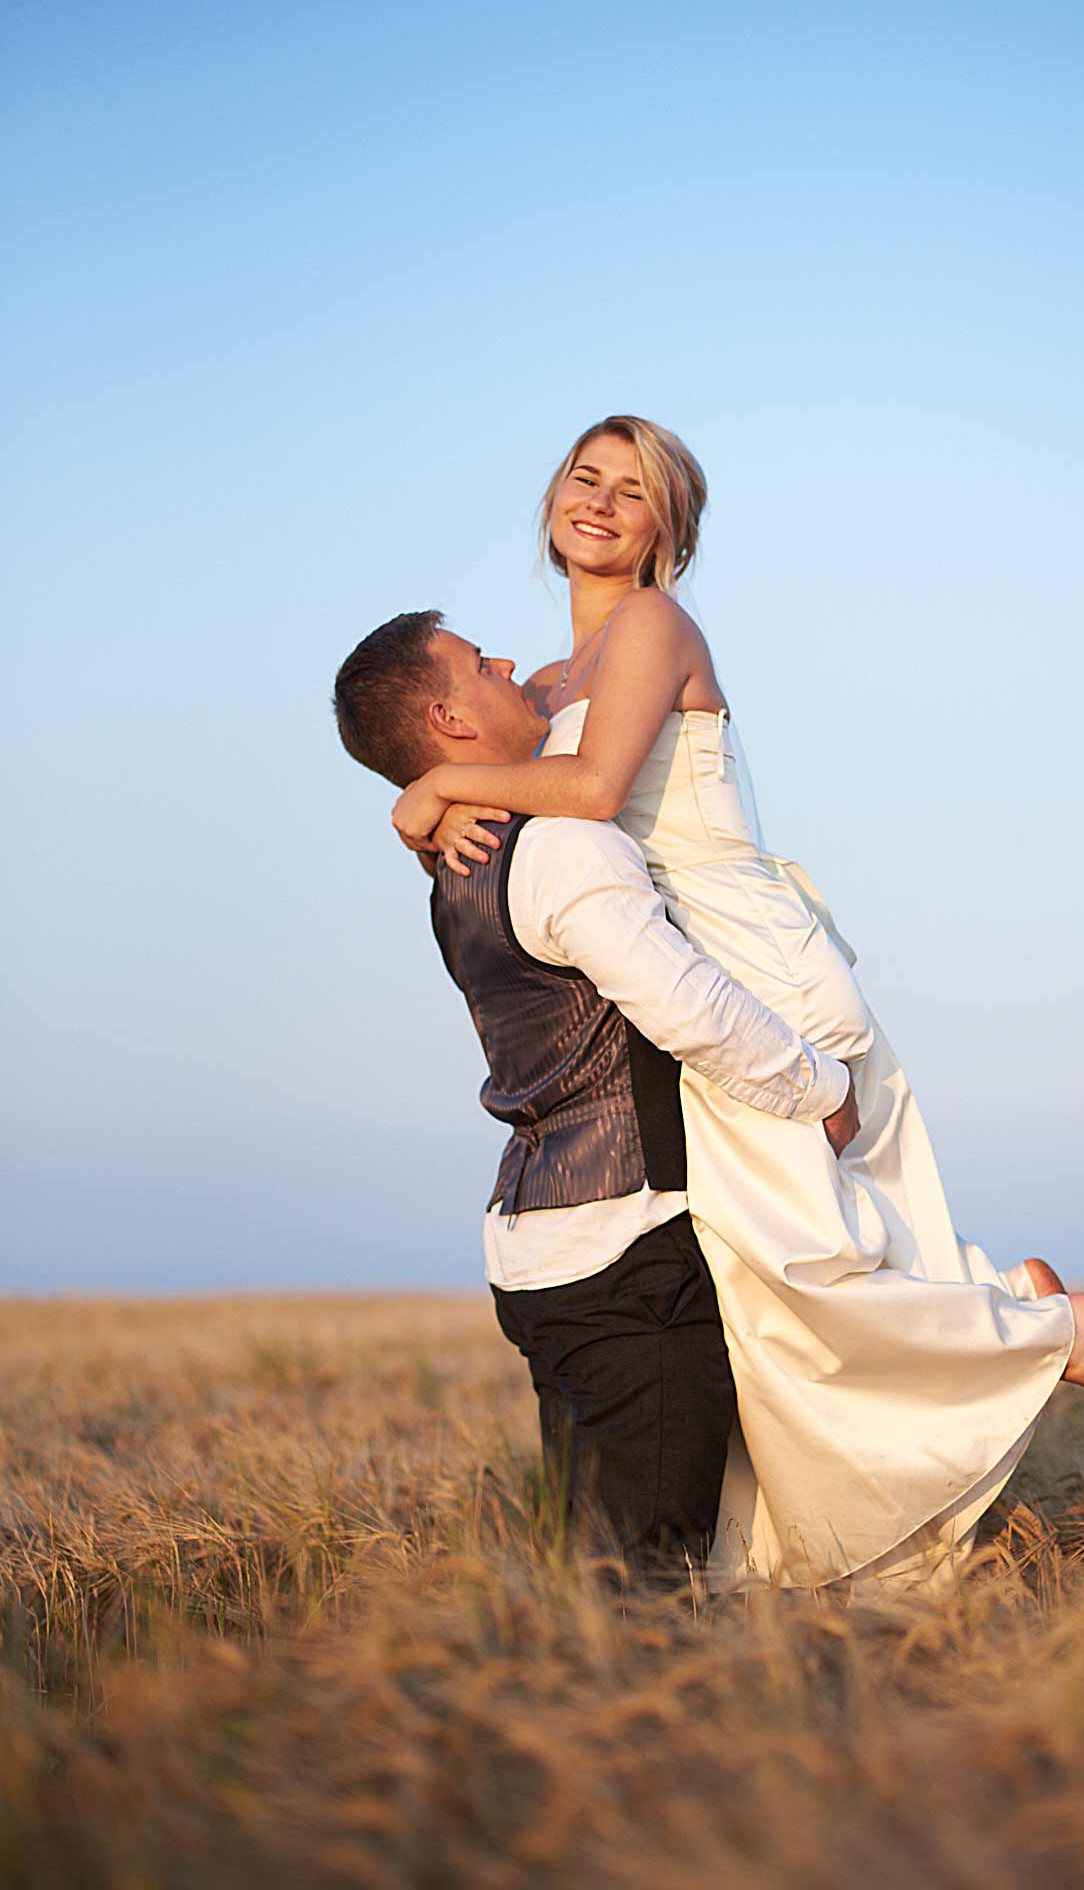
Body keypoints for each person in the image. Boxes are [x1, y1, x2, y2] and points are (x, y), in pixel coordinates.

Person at [385, 416, 1084, 1592]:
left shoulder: (653, 628)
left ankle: (1049, 1334)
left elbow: (593, 790)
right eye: (585, 477)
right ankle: (1005, 1301)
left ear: (670, 533)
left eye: (635, 493)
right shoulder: (540, 688)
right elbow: (517, 860)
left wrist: (435, 783)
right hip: (681, 976)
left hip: (751, 971)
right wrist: (423, 817)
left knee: (802, 1270)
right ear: (551, 498)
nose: (601, 503)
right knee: (767, 1291)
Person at [333, 610, 862, 1586]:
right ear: (450, 719)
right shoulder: (565, 847)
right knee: (646, 1579)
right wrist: (819, 1086)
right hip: (625, 1248)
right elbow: (687, 1006)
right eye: (476, 662)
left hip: (535, 1252)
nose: (503, 660)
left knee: (592, 1566)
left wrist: (429, 799)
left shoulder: (453, 869)